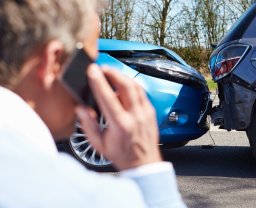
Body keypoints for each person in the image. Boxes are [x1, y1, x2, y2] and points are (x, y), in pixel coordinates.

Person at [0, 0, 186, 207]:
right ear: (53, 61)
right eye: (87, 62)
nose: (90, 76)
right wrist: (146, 166)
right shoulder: (76, 195)